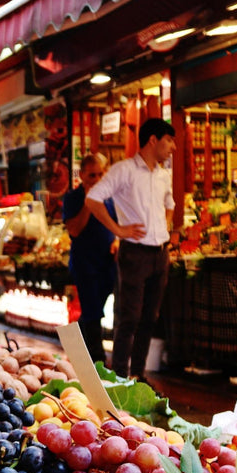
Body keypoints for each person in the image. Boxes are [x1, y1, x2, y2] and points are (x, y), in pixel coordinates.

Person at [84, 118, 176, 380]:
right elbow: (93, 199)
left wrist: (163, 227)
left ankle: (139, 375)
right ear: (153, 140)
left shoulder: (163, 175)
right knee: (129, 318)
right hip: (134, 254)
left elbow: (170, 204)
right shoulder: (123, 170)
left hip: (161, 253)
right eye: (169, 140)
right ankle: (121, 378)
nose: (173, 148)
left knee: (150, 318)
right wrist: (119, 229)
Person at [62, 153, 117, 367]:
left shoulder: (112, 197)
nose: (97, 179)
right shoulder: (72, 198)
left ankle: (79, 347)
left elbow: (118, 225)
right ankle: (98, 360)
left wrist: (118, 241)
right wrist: (88, 201)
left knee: (93, 310)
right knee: (93, 310)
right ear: (82, 175)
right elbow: (74, 230)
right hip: (85, 263)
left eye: (101, 174)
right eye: (92, 175)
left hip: (108, 262)